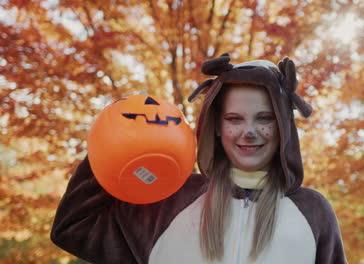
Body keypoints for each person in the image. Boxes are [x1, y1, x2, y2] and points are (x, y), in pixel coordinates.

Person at [50, 53, 348, 263]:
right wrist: (116, 138)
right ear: (217, 127)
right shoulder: (169, 201)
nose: (249, 132)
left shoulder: (312, 211)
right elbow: (74, 226)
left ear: (283, 126)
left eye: (265, 118)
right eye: (234, 118)